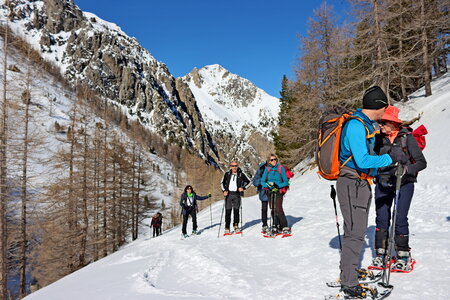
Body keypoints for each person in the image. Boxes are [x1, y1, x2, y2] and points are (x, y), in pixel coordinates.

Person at [336, 86, 398, 298]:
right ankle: (349, 283)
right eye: (385, 106)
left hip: (359, 183)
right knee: (355, 233)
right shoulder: (355, 125)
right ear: (379, 105)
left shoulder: (364, 124)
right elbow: (362, 160)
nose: (386, 111)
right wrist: (389, 160)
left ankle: (349, 271)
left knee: (354, 231)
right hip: (352, 183)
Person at [371, 105, 427, 270]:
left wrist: (407, 169)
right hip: (383, 182)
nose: (380, 125)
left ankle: (403, 254)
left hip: (404, 183)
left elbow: (422, 163)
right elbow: (371, 160)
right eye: (380, 122)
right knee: (381, 218)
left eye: (384, 122)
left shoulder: (406, 138)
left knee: (400, 218)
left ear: (394, 124)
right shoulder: (377, 139)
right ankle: (381, 254)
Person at [260, 154, 290, 234]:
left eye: (275, 159)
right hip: (270, 191)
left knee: (279, 208)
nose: (274, 161)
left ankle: (284, 226)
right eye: (272, 160)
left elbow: (286, 182)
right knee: (273, 208)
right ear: (269, 161)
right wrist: (268, 186)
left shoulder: (281, 168)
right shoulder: (267, 169)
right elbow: (262, 181)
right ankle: (275, 225)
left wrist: (278, 185)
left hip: (279, 191)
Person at [220, 160, 251, 233]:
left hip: (237, 195)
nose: (234, 167)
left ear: (238, 166)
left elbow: (249, 182)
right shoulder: (227, 174)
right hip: (228, 194)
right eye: (233, 166)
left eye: (236, 166)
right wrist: (224, 190)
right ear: (230, 166)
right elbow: (222, 183)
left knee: (236, 211)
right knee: (228, 211)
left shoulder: (241, 174)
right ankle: (227, 227)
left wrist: (243, 188)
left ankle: (236, 225)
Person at [252, 160, 270, 234]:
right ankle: (264, 225)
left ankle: (276, 224)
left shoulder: (277, 168)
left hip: (273, 191)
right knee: (264, 209)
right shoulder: (261, 168)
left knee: (275, 208)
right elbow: (255, 182)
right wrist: (263, 180)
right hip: (264, 192)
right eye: (270, 160)